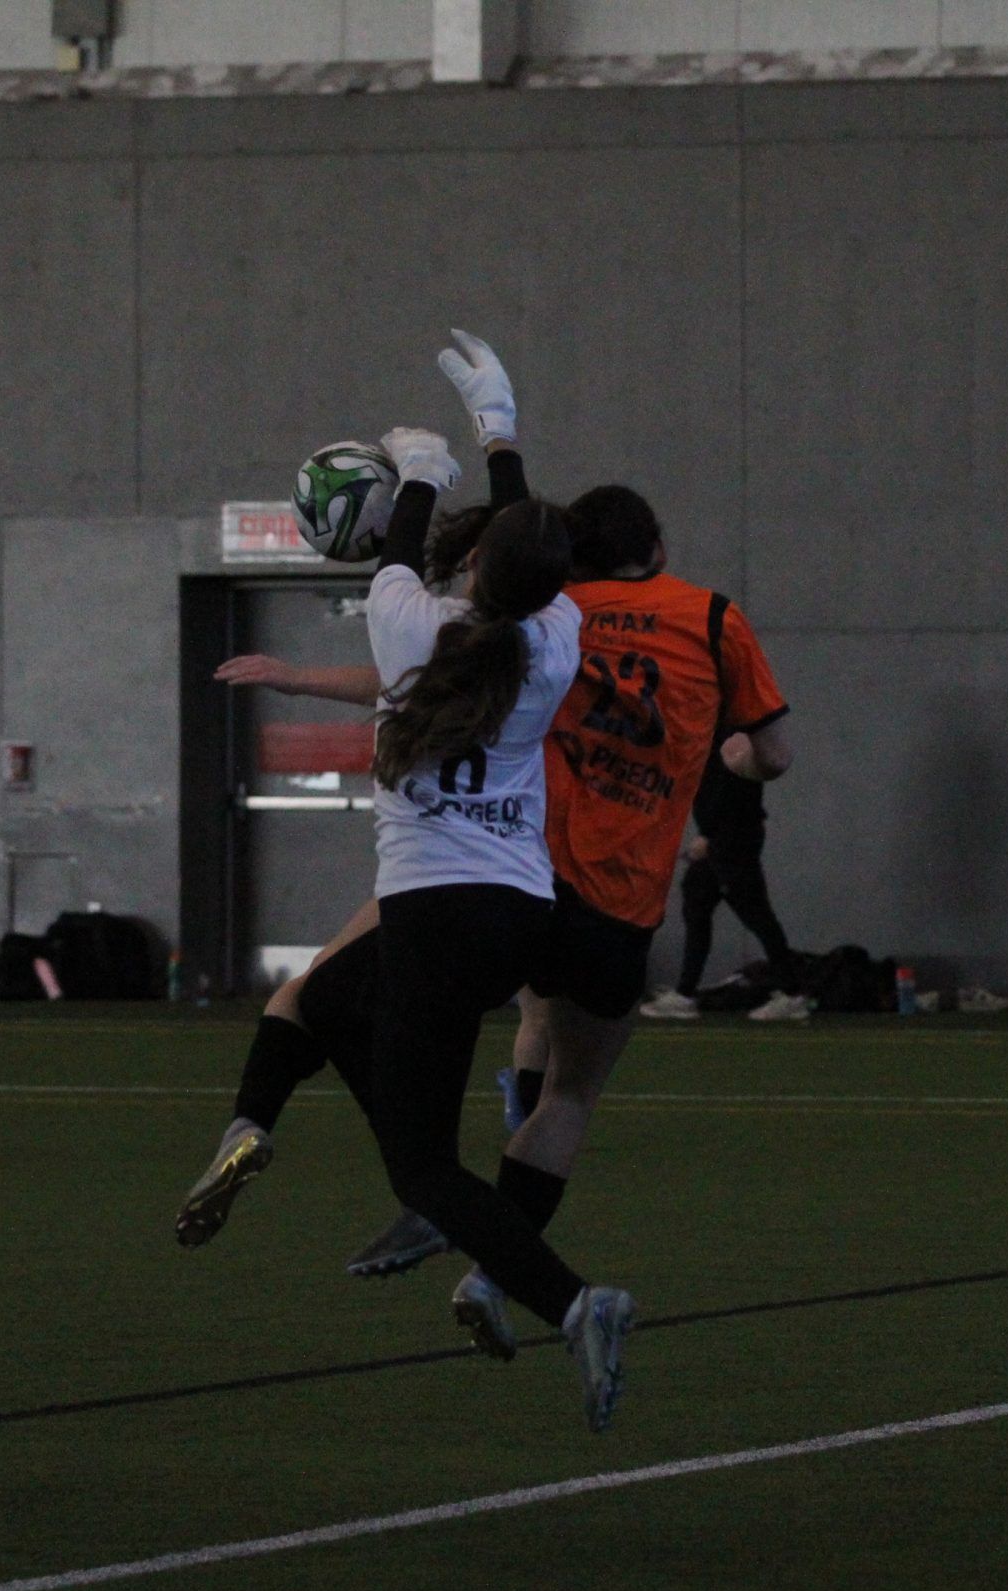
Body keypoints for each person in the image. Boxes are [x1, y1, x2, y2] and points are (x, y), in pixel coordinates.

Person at [186, 334, 790, 1371]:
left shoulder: (418, 632)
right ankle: (470, 1247)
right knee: (537, 1080)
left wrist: (421, 471)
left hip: (446, 905)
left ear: (472, 569)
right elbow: (513, 560)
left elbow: (405, 569)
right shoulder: (556, 643)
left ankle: (535, 1276)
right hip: (544, 911)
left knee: (384, 1105)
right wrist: (487, 431)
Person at [639, 724, 805, 1020]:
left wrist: (711, 836)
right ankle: (685, 994)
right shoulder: (710, 735)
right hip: (722, 838)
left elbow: (735, 791)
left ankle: (792, 994)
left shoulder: (731, 735)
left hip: (733, 840)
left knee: (756, 915)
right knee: (697, 905)